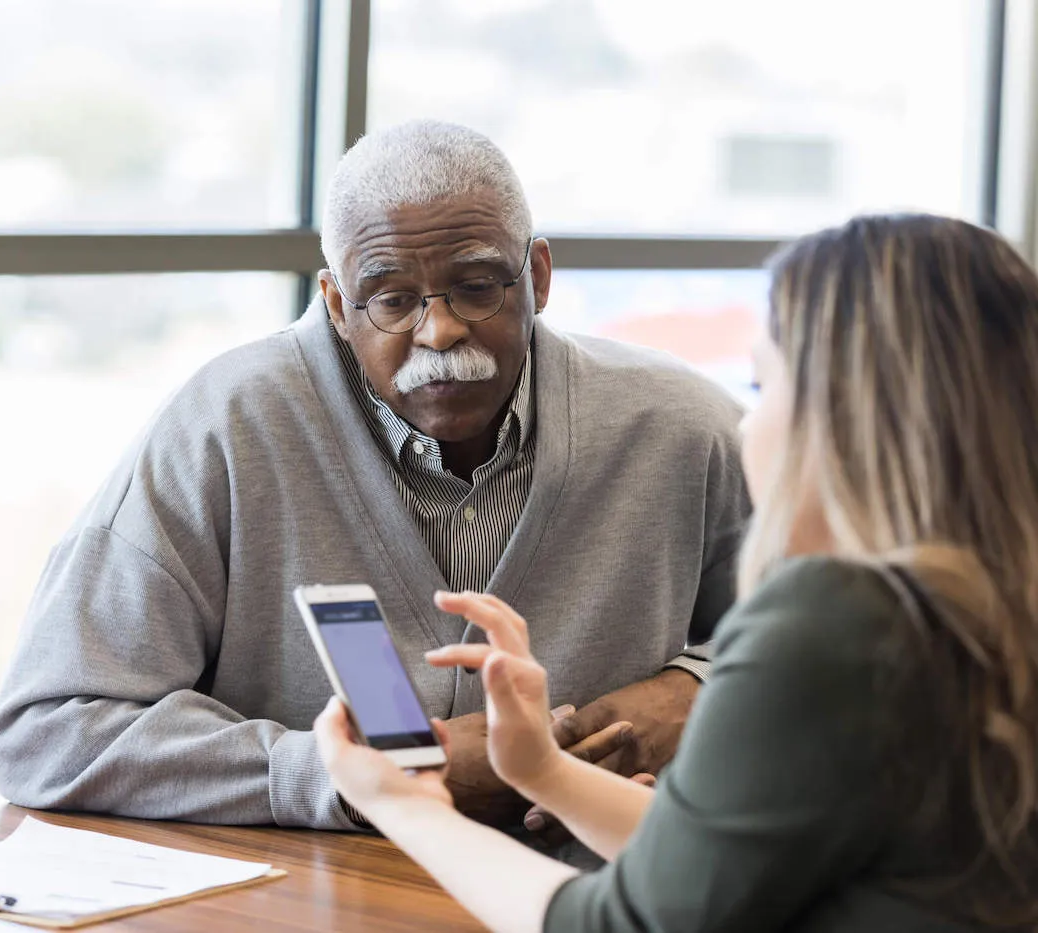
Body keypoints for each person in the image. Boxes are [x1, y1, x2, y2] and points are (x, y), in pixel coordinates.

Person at [0, 120, 748, 833]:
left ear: (539, 275)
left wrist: (700, 693)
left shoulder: (683, 427)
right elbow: (51, 730)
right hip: (312, 903)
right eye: (391, 299)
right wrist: (357, 776)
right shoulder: (224, 430)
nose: (440, 330)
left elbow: (844, 647)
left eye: (479, 286)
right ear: (335, 303)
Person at [318, 213, 1038, 930]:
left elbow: (624, 923)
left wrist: (405, 805)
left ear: (848, 418)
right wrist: (542, 769)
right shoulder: (982, 607)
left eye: (763, 388)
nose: (748, 425)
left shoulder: (838, 620)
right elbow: (720, 859)